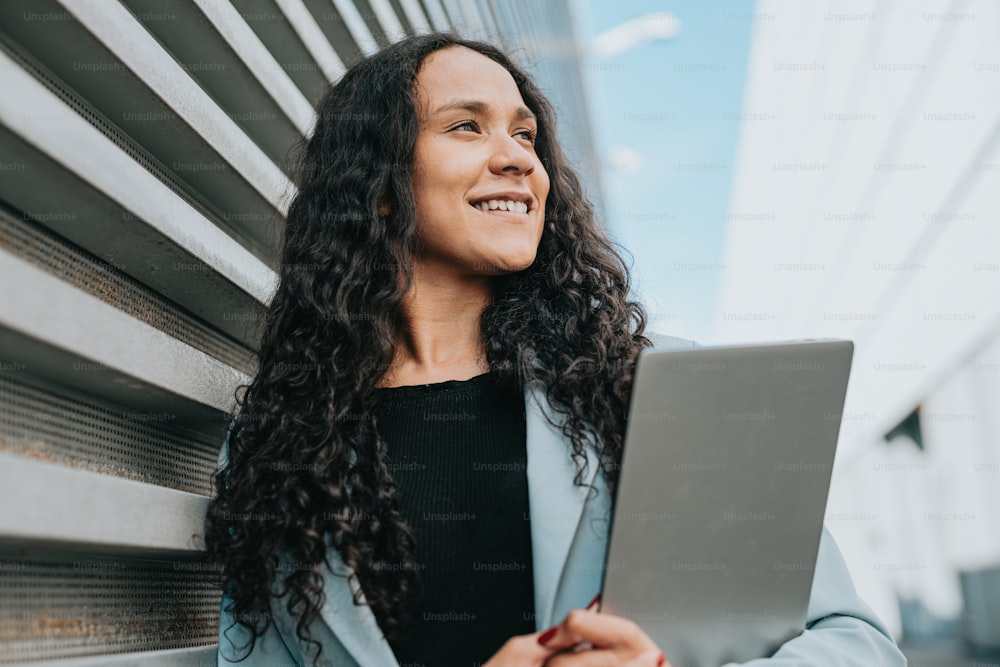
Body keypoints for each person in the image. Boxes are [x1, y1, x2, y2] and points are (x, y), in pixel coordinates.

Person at [204, 32, 906, 667]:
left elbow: (857, 645)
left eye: (525, 134)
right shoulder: (282, 446)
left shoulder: (657, 390)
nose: (517, 158)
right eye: (466, 127)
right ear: (379, 186)